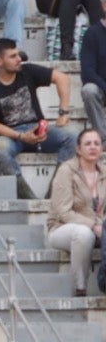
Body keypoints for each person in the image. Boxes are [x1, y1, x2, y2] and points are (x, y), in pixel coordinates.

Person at [0, 38, 80, 201]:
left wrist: (63, 112)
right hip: (11, 136)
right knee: (0, 148)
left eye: (18, 54)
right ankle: (28, 199)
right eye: (12, 56)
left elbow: (62, 78)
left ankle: (55, 192)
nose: (19, 58)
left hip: (38, 129)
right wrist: (21, 136)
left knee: (73, 136)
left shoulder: (27, 71)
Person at [46, 126, 106, 296]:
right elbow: (63, 212)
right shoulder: (66, 170)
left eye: (97, 143)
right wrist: (93, 225)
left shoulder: (104, 173)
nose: (93, 147)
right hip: (62, 228)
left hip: (98, 228)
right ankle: (80, 287)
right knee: (83, 233)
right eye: (87, 144)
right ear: (78, 149)